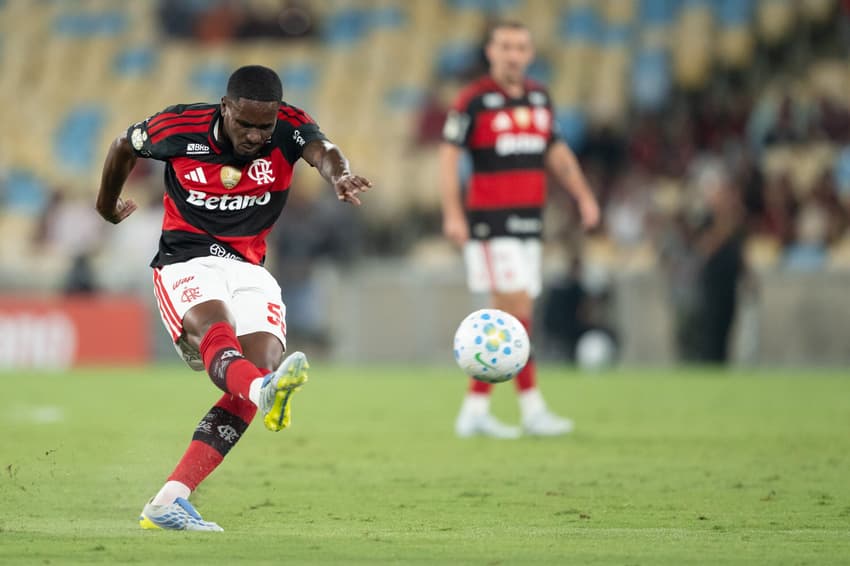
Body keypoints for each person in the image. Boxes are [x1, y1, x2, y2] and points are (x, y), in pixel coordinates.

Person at [95, 65, 371, 531]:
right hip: (185, 260)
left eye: (265, 126)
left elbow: (323, 150)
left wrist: (339, 176)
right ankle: (263, 389)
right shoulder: (179, 127)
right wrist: (106, 205)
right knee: (228, 344)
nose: (256, 135)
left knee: (257, 369)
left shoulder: (289, 126)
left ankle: (169, 499)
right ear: (226, 107)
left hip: (249, 268)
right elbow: (124, 144)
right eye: (246, 124)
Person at [439, 21, 600, 438]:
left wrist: (582, 194)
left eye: (521, 47)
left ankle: (475, 409)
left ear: (530, 54)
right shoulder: (474, 101)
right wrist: (454, 213)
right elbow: (448, 158)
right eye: (505, 46)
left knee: (509, 315)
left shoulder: (540, 97)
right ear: (491, 52)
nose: (513, 54)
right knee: (519, 312)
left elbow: (558, 152)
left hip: (530, 223)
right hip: (492, 224)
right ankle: (531, 408)